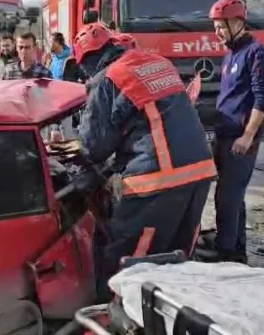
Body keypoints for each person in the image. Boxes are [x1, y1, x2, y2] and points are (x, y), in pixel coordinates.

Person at [73, 22, 217, 302]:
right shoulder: (156, 62)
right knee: (177, 261)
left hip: (158, 181)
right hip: (199, 172)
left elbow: (94, 146)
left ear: (88, 60)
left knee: (127, 263)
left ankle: (115, 319)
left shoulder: (108, 78)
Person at [201, 0, 264, 263]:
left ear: (237, 22)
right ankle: (237, 250)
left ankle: (225, 253)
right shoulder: (231, 53)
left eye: (221, 27)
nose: (217, 33)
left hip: (240, 138)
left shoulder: (258, 54)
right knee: (234, 197)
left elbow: (262, 99)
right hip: (225, 134)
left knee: (227, 198)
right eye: (215, 27)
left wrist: (247, 136)